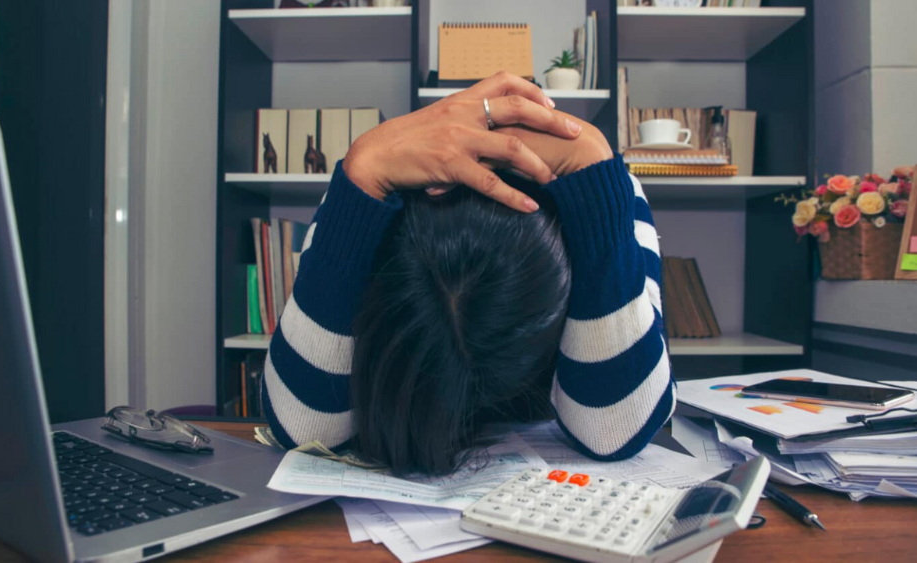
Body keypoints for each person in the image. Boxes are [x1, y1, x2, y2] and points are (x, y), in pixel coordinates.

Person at [261, 72, 674, 474]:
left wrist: (598, 177)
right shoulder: (366, 198)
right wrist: (363, 168)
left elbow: (614, 430)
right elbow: (303, 427)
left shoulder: (601, 201)